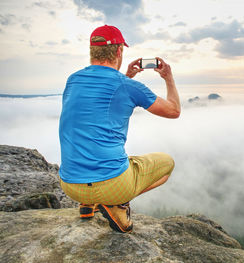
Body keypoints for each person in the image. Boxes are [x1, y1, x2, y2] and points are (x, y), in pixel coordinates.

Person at [59, 25, 180, 233]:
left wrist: (127, 76)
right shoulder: (125, 85)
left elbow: (98, 106)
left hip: (71, 184)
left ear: (92, 51)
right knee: (167, 164)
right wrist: (168, 77)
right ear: (118, 52)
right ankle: (116, 204)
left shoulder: (73, 80)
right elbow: (173, 110)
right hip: (111, 185)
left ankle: (89, 204)